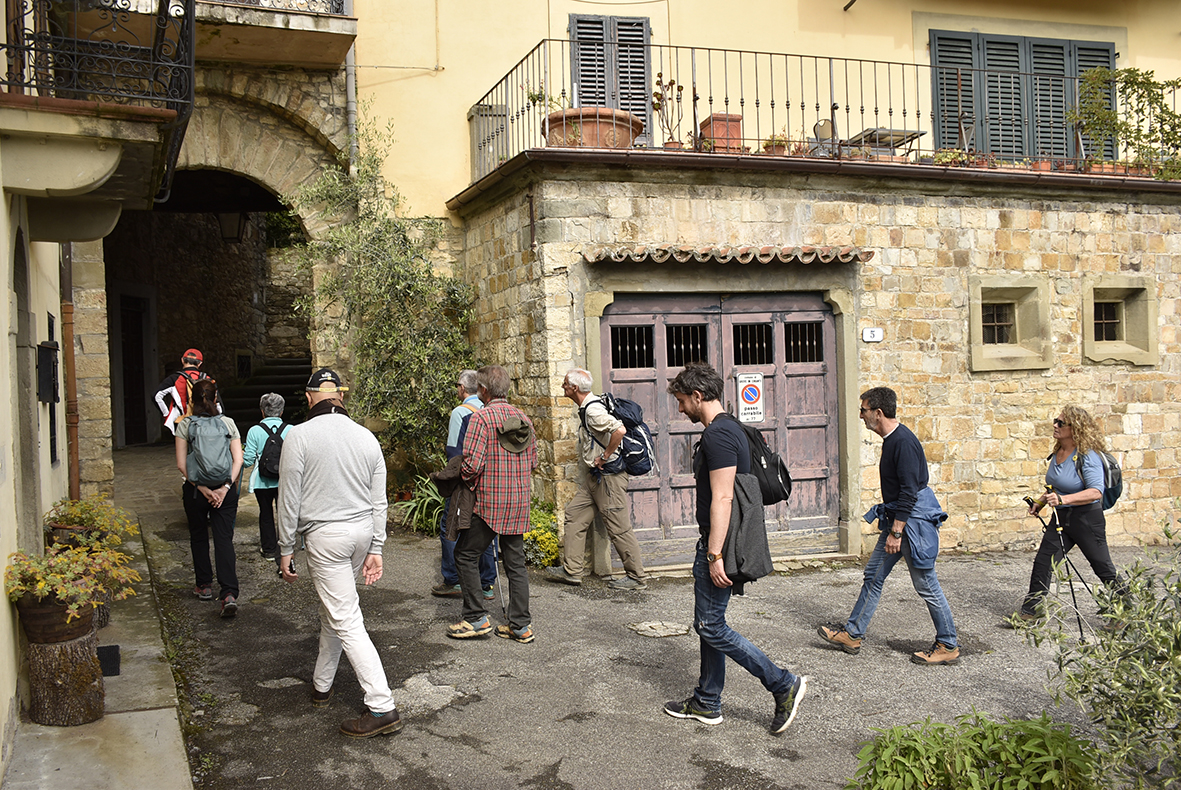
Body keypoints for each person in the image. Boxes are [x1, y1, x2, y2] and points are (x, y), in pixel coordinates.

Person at [663, 363, 807, 734]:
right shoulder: (731, 429)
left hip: (720, 544)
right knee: (713, 624)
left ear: (698, 396)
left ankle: (782, 683)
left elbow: (724, 497)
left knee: (710, 625)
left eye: (681, 402)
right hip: (722, 541)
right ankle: (707, 702)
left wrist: (713, 555)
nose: (680, 410)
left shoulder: (719, 436)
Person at [277, 368, 402, 739]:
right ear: (341, 397)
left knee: (346, 617)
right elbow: (379, 500)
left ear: (311, 396)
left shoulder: (298, 436)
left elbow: (289, 499)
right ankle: (322, 684)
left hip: (326, 536)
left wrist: (285, 548)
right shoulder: (366, 437)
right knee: (336, 608)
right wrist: (376, 545)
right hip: (361, 532)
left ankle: (381, 705)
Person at [817, 386, 960, 666]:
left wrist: (896, 531)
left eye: (863, 410)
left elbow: (909, 492)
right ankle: (853, 634)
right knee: (873, 575)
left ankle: (948, 644)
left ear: (878, 413)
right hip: (901, 519)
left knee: (926, 584)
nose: (861, 416)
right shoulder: (893, 440)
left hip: (910, 523)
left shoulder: (902, 443)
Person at [447, 365, 537, 643]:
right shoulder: (524, 419)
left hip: (489, 503)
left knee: (464, 554)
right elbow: (533, 463)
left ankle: (475, 618)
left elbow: (472, 466)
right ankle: (520, 626)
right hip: (518, 502)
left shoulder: (481, 419)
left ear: (483, 390)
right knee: (515, 564)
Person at [546, 368, 648, 590]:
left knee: (618, 527)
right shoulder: (588, 407)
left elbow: (619, 430)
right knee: (574, 514)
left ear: (574, 388)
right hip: (597, 477)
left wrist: (605, 455)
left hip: (609, 478)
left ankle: (636, 577)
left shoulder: (593, 411)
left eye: (565, 384)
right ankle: (572, 571)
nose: (563, 387)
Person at [1018, 405, 1122, 620]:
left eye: (1061, 423)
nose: (1055, 425)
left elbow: (1095, 492)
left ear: (1076, 428)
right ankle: (1031, 612)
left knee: (1102, 567)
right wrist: (1040, 502)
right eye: (1055, 421)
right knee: (1044, 562)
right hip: (1062, 518)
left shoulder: (1088, 456)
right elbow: (1057, 486)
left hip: (1086, 519)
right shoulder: (1059, 451)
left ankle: (1127, 612)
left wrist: (1063, 499)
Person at [174, 378, 242, 617]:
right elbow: (239, 460)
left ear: (192, 400)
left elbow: (182, 465)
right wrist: (224, 488)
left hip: (196, 491)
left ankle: (203, 586)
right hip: (225, 490)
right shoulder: (228, 423)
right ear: (215, 398)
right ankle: (229, 593)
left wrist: (202, 488)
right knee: (224, 539)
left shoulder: (185, 425)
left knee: (199, 536)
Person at [431, 370, 497, 600]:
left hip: (465, 479)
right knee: (485, 528)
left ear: (461, 387)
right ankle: (487, 583)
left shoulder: (460, 412)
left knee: (450, 525)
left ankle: (454, 579)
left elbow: (453, 451)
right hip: (488, 480)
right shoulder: (489, 410)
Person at [242, 393, 291, 563]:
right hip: (284, 480)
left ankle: (269, 549)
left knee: (266, 513)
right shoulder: (291, 430)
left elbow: (247, 461)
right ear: (282, 411)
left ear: (262, 411)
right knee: (284, 513)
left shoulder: (255, 431)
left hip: (261, 481)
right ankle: (286, 547)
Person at [155, 348, 216, 436]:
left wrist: (166, 414)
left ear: (182, 360)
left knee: (182, 448)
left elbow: (156, 396)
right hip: (206, 421)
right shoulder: (208, 380)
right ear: (200, 363)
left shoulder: (174, 379)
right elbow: (218, 404)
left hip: (182, 421)